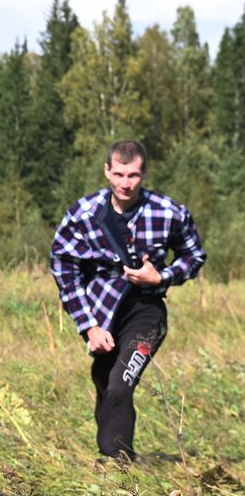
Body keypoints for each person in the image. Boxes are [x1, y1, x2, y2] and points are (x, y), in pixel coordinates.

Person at [50, 140, 205, 461]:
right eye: (119, 174)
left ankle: (116, 463)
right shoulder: (84, 214)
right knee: (105, 383)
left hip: (147, 313)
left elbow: (194, 255)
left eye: (133, 175)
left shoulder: (169, 212)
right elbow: (64, 267)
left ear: (144, 173)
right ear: (106, 171)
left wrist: (162, 277)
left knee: (121, 385)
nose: (125, 183)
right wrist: (89, 325)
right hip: (101, 313)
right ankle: (113, 460)